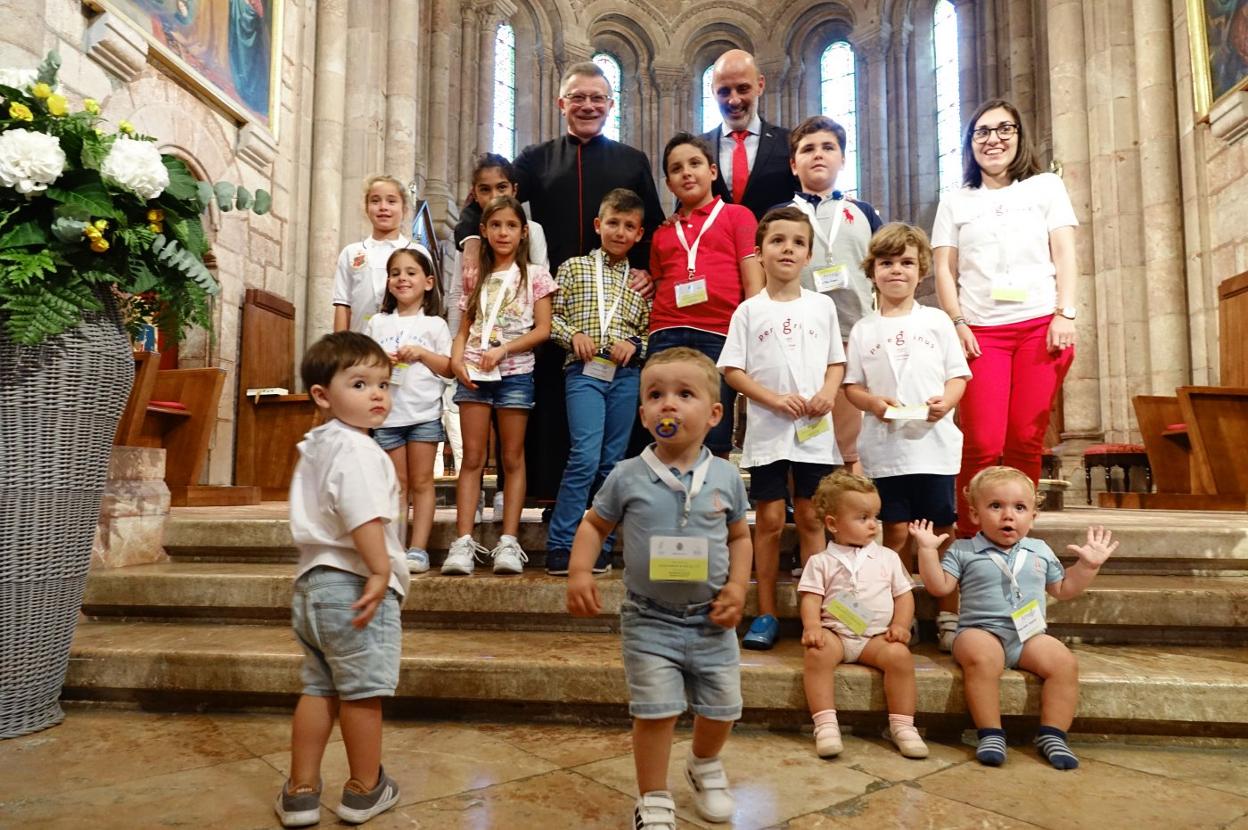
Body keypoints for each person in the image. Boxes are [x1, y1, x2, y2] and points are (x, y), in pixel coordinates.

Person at [461, 62, 665, 507]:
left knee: (612, 413)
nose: (587, 106)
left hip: (613, 304)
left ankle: (612, 503)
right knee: (550, 400)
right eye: (578, 97)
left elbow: (652, 224)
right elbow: (491, 200)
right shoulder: (536, 158)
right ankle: (547, 496)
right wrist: (472, 241)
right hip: (550, 306)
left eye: (597, 98)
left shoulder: (631, 160)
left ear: (610, 105)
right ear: (561, 104)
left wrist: (649, 270)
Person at [567, 347, 752, 829]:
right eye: (655, 395)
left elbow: (739, 535)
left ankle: (705, 763)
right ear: (643, 412)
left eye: (684, 394)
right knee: (655, 712)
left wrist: (737, 587)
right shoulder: (627, 475)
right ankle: (653, 795)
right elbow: (594, 526)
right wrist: (581, 571)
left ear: (714, 414)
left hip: (712, 619)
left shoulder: (726, 477)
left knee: (722, 709)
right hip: (649, 618)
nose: (668, 404)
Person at [275, 332, 408, 827]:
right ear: (322, 396)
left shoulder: (318, 445)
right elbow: (363, 515)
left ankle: (301, 790)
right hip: (354, 582)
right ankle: (364, 788)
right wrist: (380, 569)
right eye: (360, 383)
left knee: (318, 688)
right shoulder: (358, 450)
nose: (378, 394)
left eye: (383, 383)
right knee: (361, 692)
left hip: (311, 586)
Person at [932, 98, 1078, 538]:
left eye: (1004, 130)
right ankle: (968, 543)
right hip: (980, 332)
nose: (993, 139)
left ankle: (1016, 543)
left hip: (1040, 326)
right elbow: (943, 268)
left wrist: (1064, 312)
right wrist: (957, 323)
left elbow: (1065, 252)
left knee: (1025, 441)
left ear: (1019, 136)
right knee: (982, 443)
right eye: (982, 132)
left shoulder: (1046, 187)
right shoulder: (955, 201)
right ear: (970, 142)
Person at [913, 466, 1118, 769]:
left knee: (1064, 663)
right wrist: (927, 552)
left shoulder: (1040, 550)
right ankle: (991, 732)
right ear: (974, 514)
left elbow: (1062, 589)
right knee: (983, 659)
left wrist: (1087, 568)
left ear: (1033, 516)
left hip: (1028, 636)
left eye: (1019, 508)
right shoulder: (964, 550)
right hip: (980, 631)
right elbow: (938, 586)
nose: (1008, 516)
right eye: (995, 506)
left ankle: (1053, 734)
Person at [718, 206, 843, 650]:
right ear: (759, 253)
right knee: (770, 519)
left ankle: (818, 613)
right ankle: (766, 611)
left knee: (811, 517)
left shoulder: (822, 305)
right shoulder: (749, 312)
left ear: (809, 255)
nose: (787, 248)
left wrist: (828, 392)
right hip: (770, 430)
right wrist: (771, 399)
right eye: (778, 241)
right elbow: (733, 371)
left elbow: (836, 362)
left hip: (813, 429)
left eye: (797, 242)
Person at [843, 223, 970, 650]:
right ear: (872, 270)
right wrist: (872, 404)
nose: (896, 270)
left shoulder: (936, 321)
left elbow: (958, 376)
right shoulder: (863, 329)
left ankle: (948, 613)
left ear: (921, 271)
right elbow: (852, 387)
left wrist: (946, 403)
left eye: (906, 263)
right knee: (895, 534)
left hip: (932, 449)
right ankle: (903, 613)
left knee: (941, 532)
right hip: (887, 449)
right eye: (886, 263)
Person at [446, 196, 556, 575]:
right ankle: (463, 541)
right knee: (473, 458)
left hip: (514, 374)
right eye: (496, 226)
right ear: (484, 231)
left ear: (523, 232)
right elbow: (464, 329)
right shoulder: (475, 275)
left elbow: (544, 329)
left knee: (512, 458)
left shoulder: (536, 275)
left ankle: (508, 541)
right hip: (475, 375)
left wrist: (505, 349)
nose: (503, 232)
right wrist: (457, 358)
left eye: (511, 225)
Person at [545, 188, 651, 576]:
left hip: (625, 375)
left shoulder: (641, 282)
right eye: (613, 223)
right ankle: (560, 542)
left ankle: (602, 543)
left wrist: (635, 343)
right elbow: (551, 318)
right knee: (585, 456)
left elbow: (650, 327)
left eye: (628, 226)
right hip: (584, 371)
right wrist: (572, 335)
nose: (620, 232)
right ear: (598, 225)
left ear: (639, 233)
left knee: (611, 463)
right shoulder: (573, 268)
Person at [649, 132, 764, 457]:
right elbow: (660, 284)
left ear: (712, 171)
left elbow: (753, 283)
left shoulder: (738, 216)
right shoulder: (663, 233)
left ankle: (709, 506)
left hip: (718, 334)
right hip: (665, 334)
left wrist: (749, 337)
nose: (687, 172)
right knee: (667, 428)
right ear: (669, 184)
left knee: (713, 430)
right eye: (676, 168)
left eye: (695, 163)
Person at [799, 471, 927, 760]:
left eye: (875, 516)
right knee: (816, 655)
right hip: (836, 635)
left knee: (900, 658)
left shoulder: (888, 558)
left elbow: (903, 595)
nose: (874, 525)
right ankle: (826, 724)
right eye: (863, 518)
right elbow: (811, 597)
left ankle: (903, 725)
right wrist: (813, 626)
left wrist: (900, 625)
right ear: (832, 524)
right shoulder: (821, 561)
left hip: (876, 638)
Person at [784, 115, 884, 473]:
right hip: (800, 338)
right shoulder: (781, 216)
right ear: (794, 164)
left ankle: (848, 513)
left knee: (849, 437)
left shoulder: (863, 212)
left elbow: (882, 273)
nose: (819, 155)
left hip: (852, 335)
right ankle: (806, 507)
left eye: (829, 148)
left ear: (843, 158)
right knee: (804, 432)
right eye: (808, 149)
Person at [364, 247, 453, 574]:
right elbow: (362, 370)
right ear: (388, 283)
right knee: (396, 484)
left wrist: (421, 353)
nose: (403, 278)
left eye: (411, 272)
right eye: (396, 273)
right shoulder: (377, 323)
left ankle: (418, 549)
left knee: (422, 482)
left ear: (428, 282)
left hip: (424, 415)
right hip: (388, 417)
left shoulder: (435, 326)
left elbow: (449, 368)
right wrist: (379, 363)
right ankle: (395, 545)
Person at [701, 49, 799, 220]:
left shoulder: (789, 143)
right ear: (713, 92)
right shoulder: (698, 148)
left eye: (743, 88)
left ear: (760, 85)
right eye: (724, 91)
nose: (734, 100)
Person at [332, 175, 420, 333]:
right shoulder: (351, 252)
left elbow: (425, 301)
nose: (383, 207)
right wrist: (340, 349)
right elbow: (342, 304)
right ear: (366, 208)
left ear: (404, 209)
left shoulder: (416, 252)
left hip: (404, 342)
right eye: (375, 200)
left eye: (391, 201)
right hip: (360, 342)